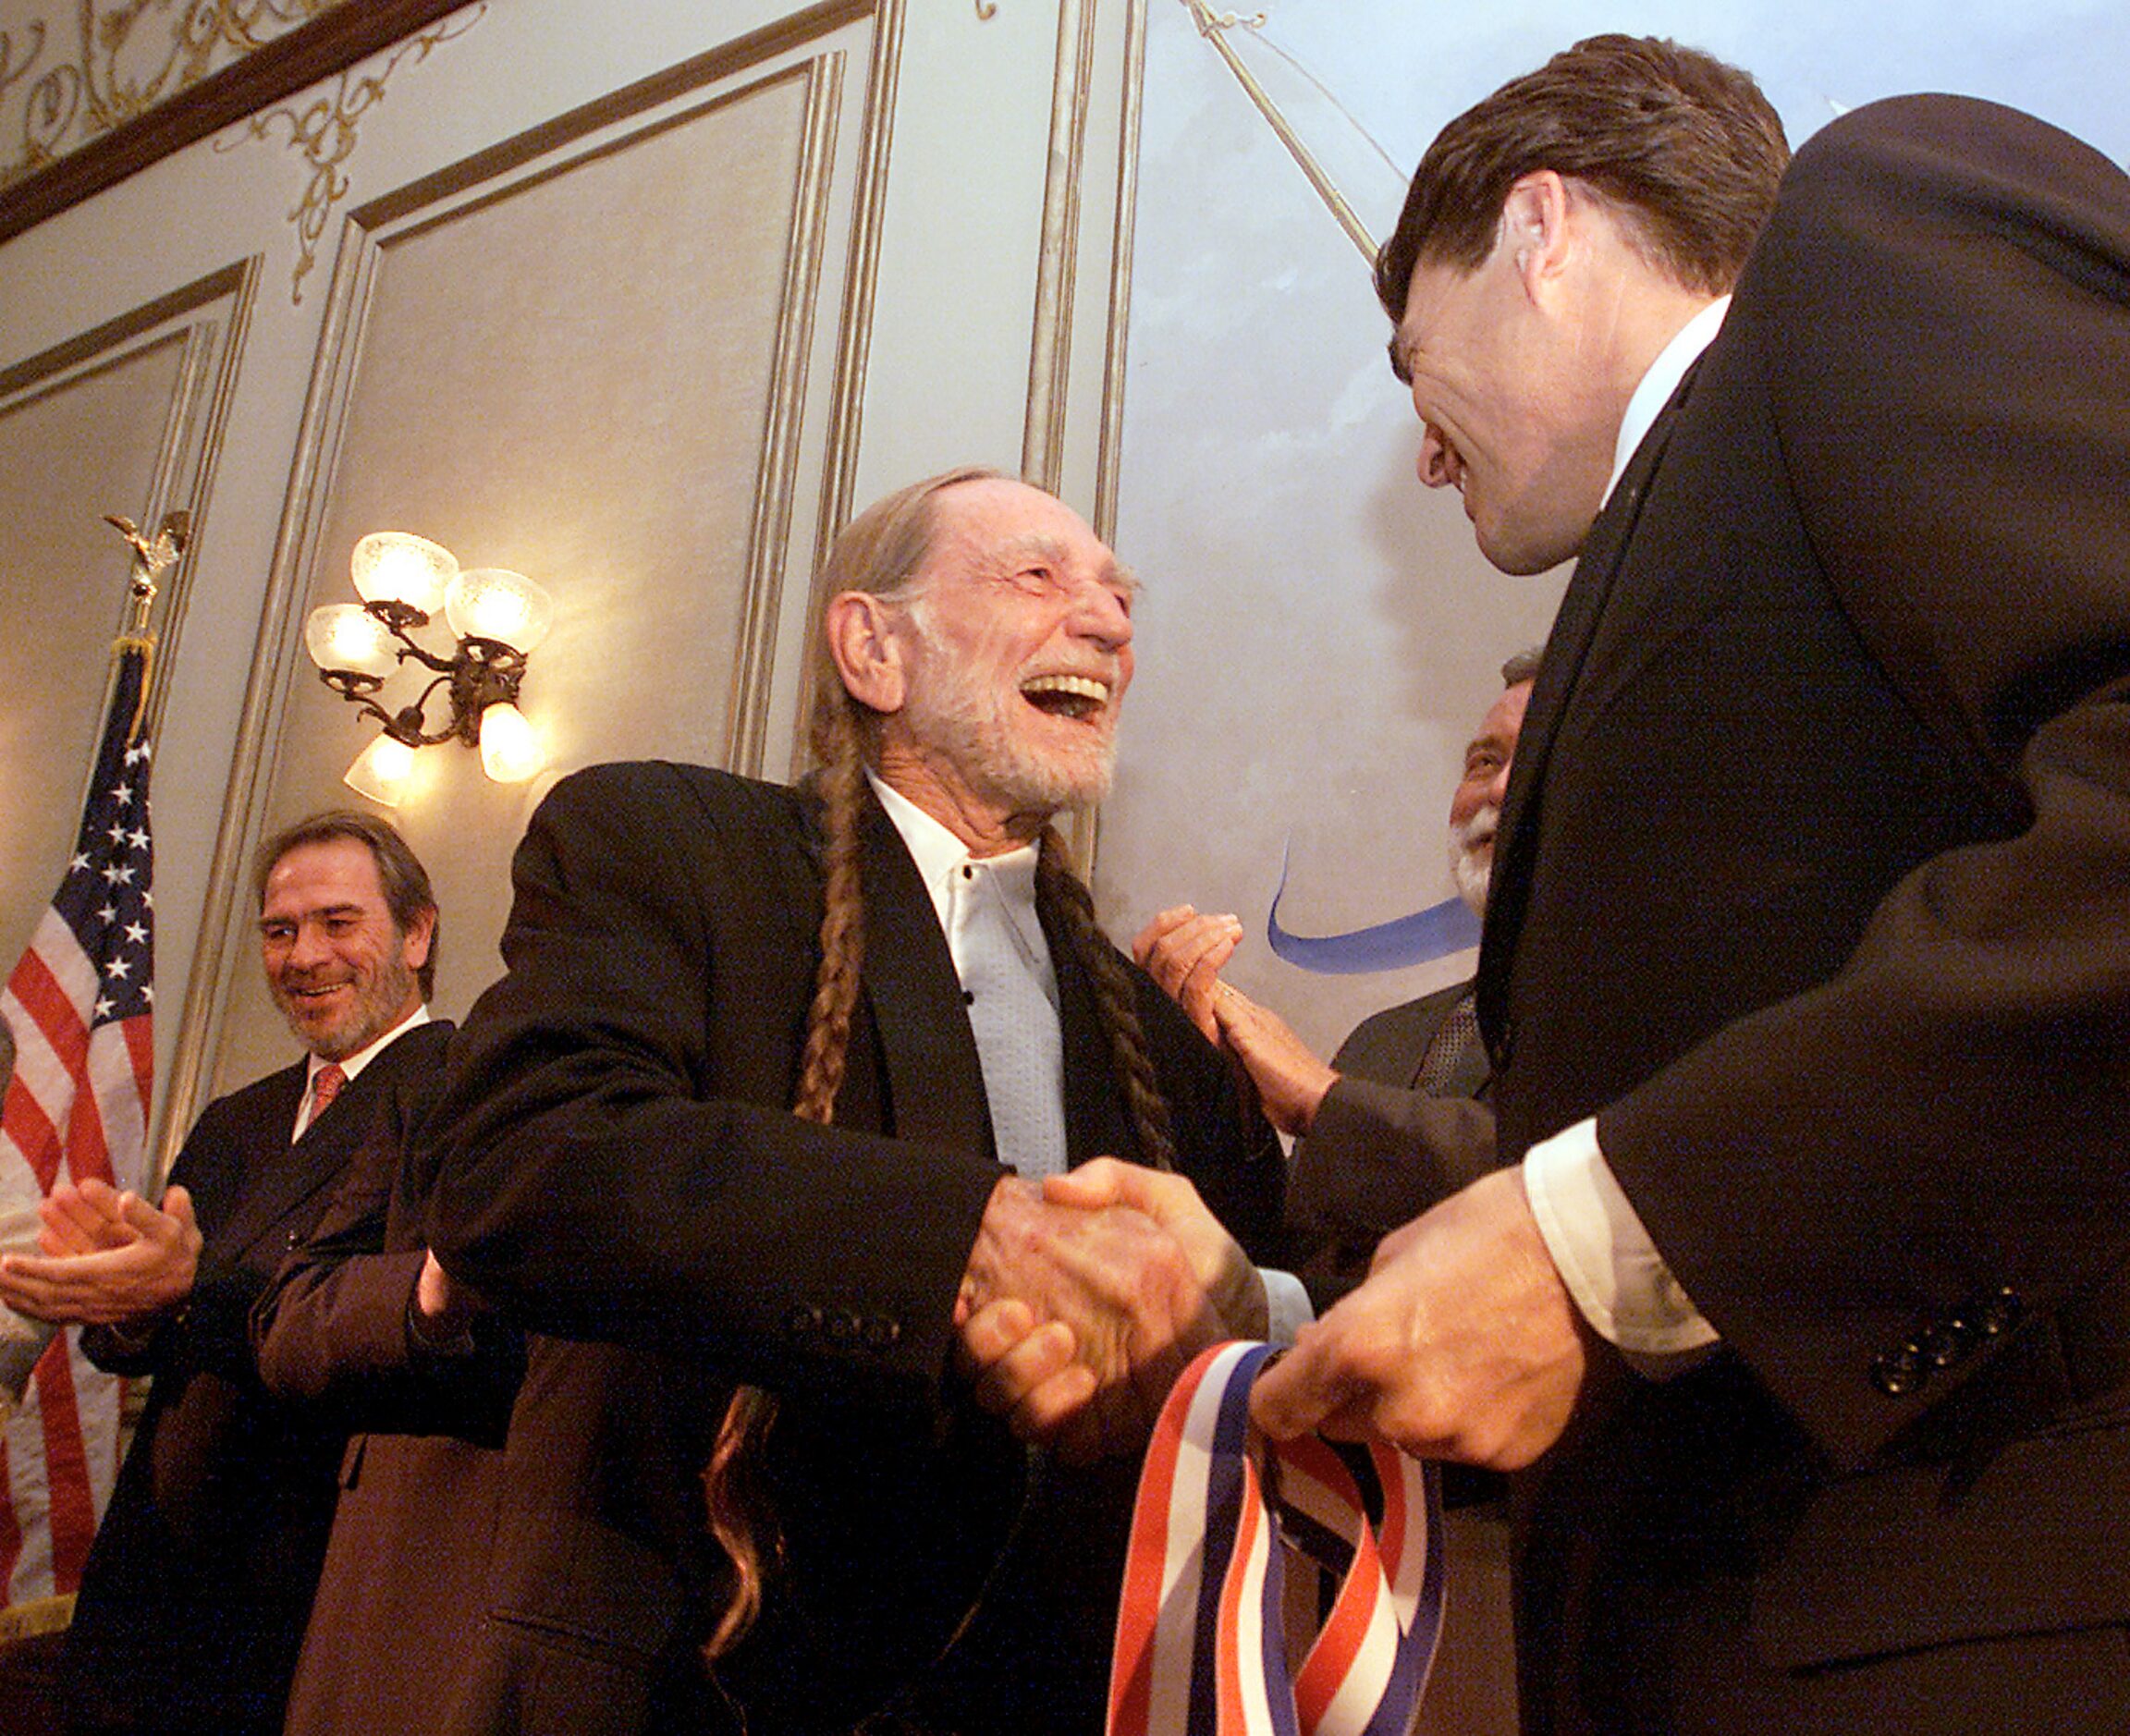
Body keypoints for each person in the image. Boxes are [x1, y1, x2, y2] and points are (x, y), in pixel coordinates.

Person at [1251, 33, 2130, 1733]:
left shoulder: (1871, 233)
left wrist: (1610, 1234)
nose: (1422, 454)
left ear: (1541, 227)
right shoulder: (1668, 551)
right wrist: (1286, 1319)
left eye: (1407, 355)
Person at [400, 467, 1283, 1734]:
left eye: (1120, 596)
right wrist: (967, 1245)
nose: (1109, 623)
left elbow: (1266, 1303)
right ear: (873, 646)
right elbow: (516, 1157)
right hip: (699, 1686)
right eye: (1039, 576)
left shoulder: (1165, 1042)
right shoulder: (667, 842)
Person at [0, 811, 448, 1735]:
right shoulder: (236, 1119)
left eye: (337, 922)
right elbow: (143, 1340)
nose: (304, 955)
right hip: (153, 1572)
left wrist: (183, 1290)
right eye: (280, 931)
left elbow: (391, 1327)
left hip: (303, 1585)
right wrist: (117, 1301)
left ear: (416, 932)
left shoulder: (459, 1091)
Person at [1135, 648, 1536, 1303]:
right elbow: (1286, 1267)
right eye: (1484, 762)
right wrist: (1217, 1087)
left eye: (1534, 758)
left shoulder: (1669, 1011)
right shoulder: (1388, 1038)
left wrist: (1321, 1099)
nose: (1495, 789)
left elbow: (1562, 1195)